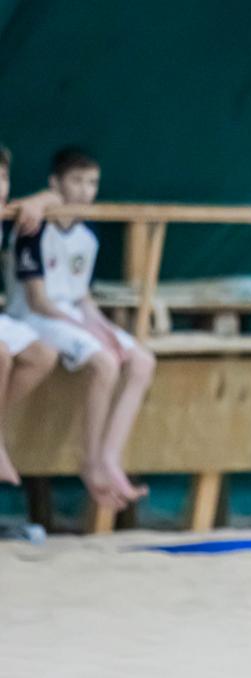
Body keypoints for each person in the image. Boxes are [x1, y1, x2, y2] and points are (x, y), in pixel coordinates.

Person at [3, 148, 156, 510]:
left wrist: (101, 326)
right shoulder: (32, 227)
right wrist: (87, 329)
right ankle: (90, 461)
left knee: (142, 361)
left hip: (70, 314)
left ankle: (109, 457)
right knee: (104, 361)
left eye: (92, 182)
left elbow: (81, 294)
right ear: (56, 182)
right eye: (77, 181)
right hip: (36, 316)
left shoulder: (87, 234)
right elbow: (39, 300)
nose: (85, 190)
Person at [0, 144, 59, 485]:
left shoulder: (8, 212)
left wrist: (36, 203)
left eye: (3, 177)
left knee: (43, 355)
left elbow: (56, 196)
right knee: (1, 354)